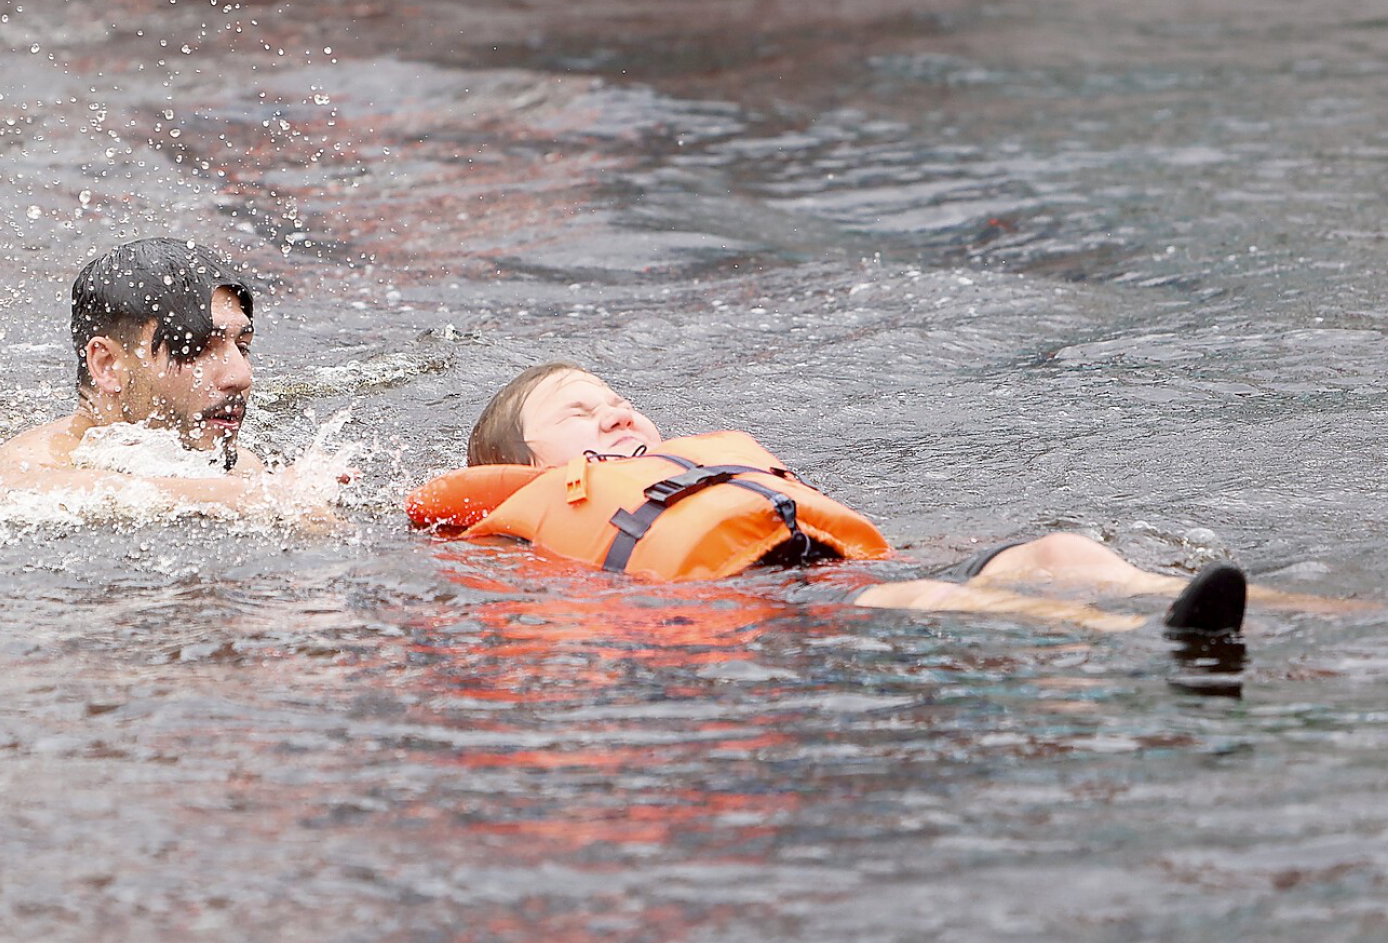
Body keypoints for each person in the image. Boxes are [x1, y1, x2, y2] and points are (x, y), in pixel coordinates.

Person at [413, 361, 1310, 635]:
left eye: (618, 400)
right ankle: (1156, 637)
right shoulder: (514, 525)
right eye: (579, 410)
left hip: (823, 566)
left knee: (1060, 552)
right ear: (522, 464)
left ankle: (1304, 610)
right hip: (755, 606)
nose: (611, 411)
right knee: (923, 598)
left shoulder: (699, 464)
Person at [0, 237, 312, 511]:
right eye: (198, 348)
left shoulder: (238, 470)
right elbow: (58, 490)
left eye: (242, 347)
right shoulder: (24, 471)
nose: (240, 376)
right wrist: (251, 499)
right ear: (107, 365)